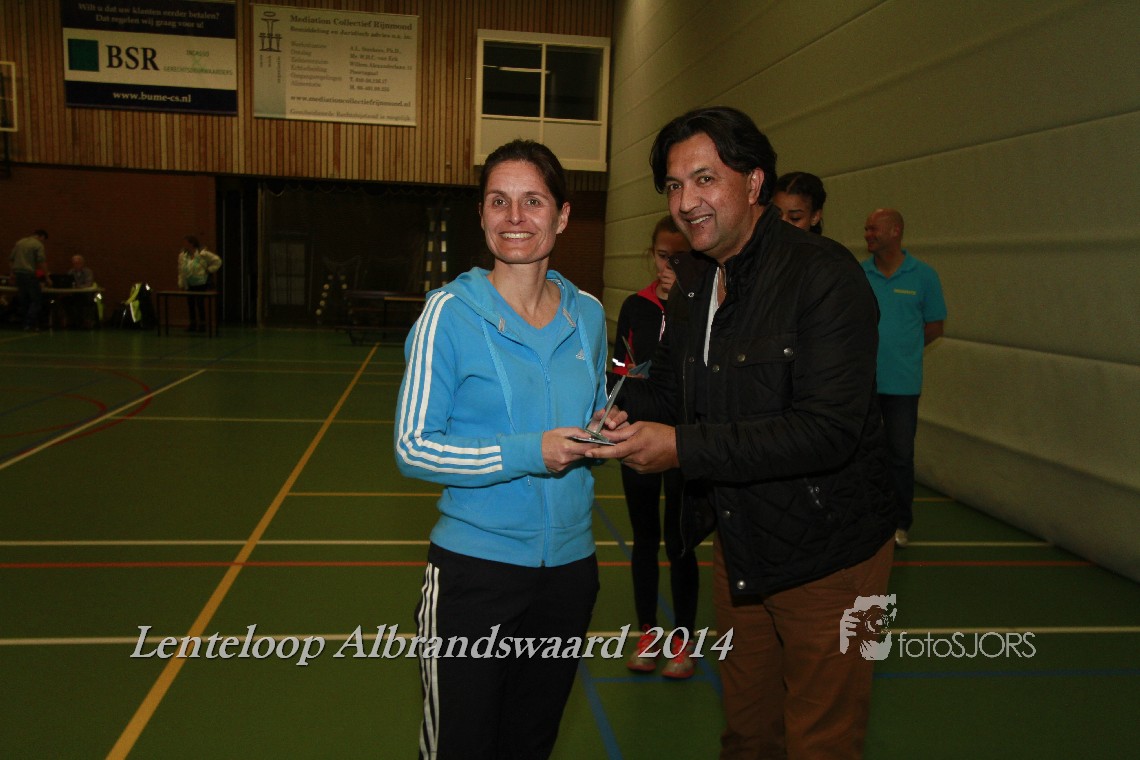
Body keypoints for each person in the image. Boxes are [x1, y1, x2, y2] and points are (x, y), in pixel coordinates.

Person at [585, 106, 896, 759]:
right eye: (674, 186)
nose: (685, 202)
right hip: (743, 547)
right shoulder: (695, 284)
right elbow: (673, 395)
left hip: (835, 559)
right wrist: (605, 402)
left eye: (705, 179)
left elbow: (827, 432)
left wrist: (681, 448)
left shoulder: (823, 275)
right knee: (748, 733)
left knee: (823, 742)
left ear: (754, 183)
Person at [394, 139, 609, 760]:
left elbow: (590, 406)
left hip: (569, 573)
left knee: (530, 744)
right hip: (474, 576)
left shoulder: (589, 314)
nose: (515, 216)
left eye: (533, 201)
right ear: (482, 215)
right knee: (458, 747)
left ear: (561, 216)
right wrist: (529, 451)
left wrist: (604, 427)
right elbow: (414, 447)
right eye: (499, 201)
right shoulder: (448, 314)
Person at [613, 214, 699, 679]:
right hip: (638, 435)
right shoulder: (635, 306)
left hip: (685, 439)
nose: (670, 267)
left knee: (680, 539)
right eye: (665, 257)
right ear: (652, 256)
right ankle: (647, 630)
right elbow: (618, 369)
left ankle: (683, 638)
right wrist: (619, 396)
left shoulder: (705, 308)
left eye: (681, 259)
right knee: (644, 537)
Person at [861, 208, 947, 548]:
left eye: (874, 229)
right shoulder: (859, 274)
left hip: (903, 385)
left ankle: (899, 523)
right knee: (863, 455)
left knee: (899, 455)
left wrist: (904, 351)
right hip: (862, 385)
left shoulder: (923, 276)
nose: (868, 234)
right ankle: (865, 520)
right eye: (866, 229)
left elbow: (935, 327)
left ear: (895, 231)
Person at [176, 236, 221, 332]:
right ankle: (192, 324)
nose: (184, 245)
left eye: (186, 243)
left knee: (200, 304)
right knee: (190, 304)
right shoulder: (182, 255)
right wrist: (181, 282)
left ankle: (202, 325)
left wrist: (209, 270)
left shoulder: (203, 254)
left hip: (200, 282)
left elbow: (217, 261)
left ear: (192, 244)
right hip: (189, 283)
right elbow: (181, 269)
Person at [9, 229, 50, 331]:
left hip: (19, 275)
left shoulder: (20, 242)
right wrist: (47, 276)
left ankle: (24, 323)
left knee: (24, 300)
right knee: (36, 300)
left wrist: (12, 273)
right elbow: (41, 261)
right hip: (29, 274)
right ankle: (30, 323)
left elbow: (11, 259)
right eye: (43, 240)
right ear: (41, 236)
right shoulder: (38, 245)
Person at [65, 254, 96, 328]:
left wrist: (78, 287)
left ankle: (85, 322)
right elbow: (68, 284)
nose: (76, 265)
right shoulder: (70, 272)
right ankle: (72, 322)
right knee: (65, 301)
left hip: (86, 295)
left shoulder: (88, 272)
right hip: (74, 295)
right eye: (74, 263)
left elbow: (89, 284)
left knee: (82, 301)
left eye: (78, 263)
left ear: (82, 263)